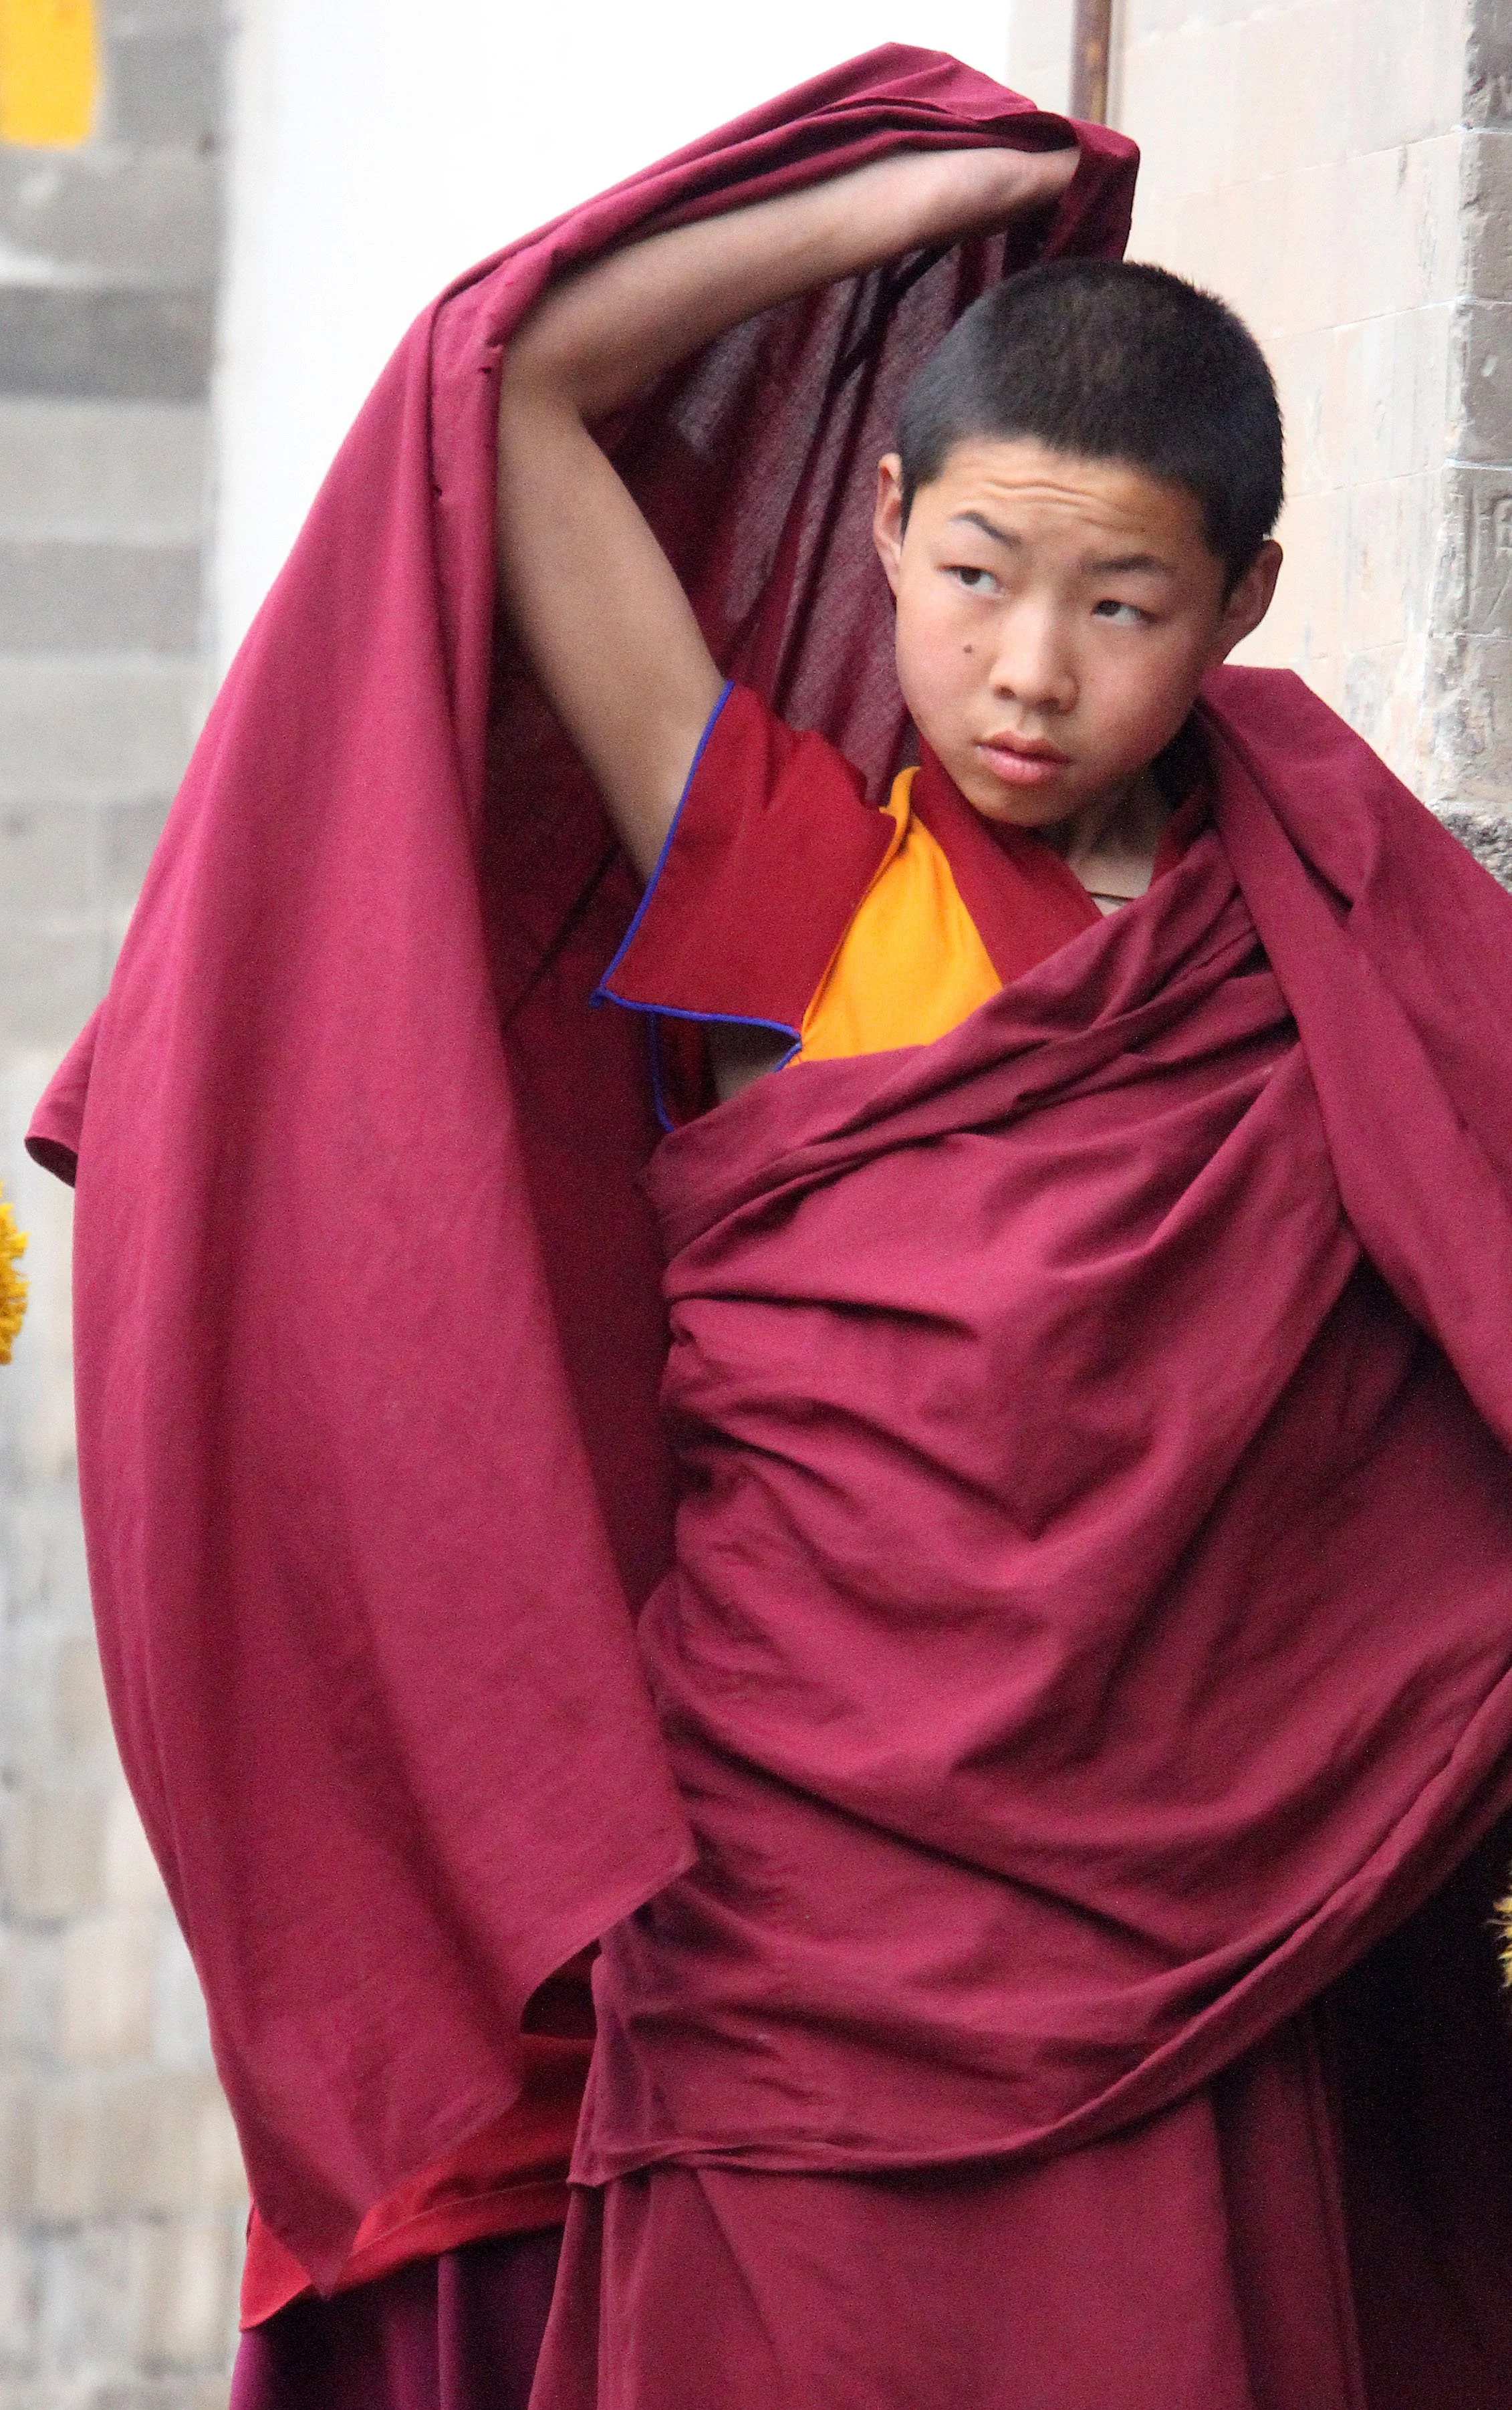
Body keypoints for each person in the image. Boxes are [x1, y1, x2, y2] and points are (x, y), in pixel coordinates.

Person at [27, 47, 1512, 2410]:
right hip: (806, 1926)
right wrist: (883, 211)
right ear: (885, 529)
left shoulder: (1318, 925)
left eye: (1120, 601)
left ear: (1239, 600)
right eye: (971, 575)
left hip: (1184, 1913)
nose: (1029, 669)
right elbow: (502, 402)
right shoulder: (801, 885)